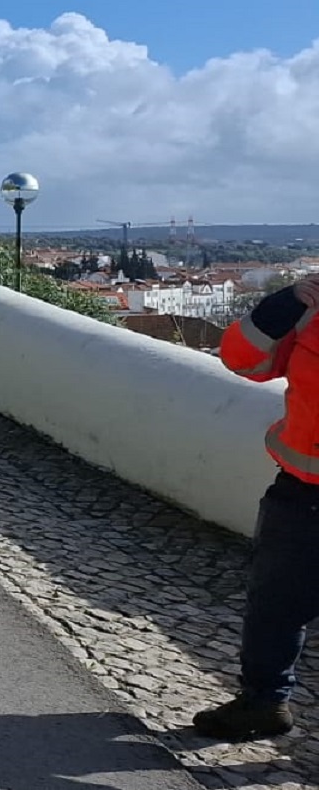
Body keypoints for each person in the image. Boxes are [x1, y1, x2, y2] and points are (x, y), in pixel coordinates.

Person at [193, 275, 319, 741]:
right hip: (303, 492)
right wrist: (281, 306)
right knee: (275, 607)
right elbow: (242, 361)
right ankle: (263, 704)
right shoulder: (310, 308)